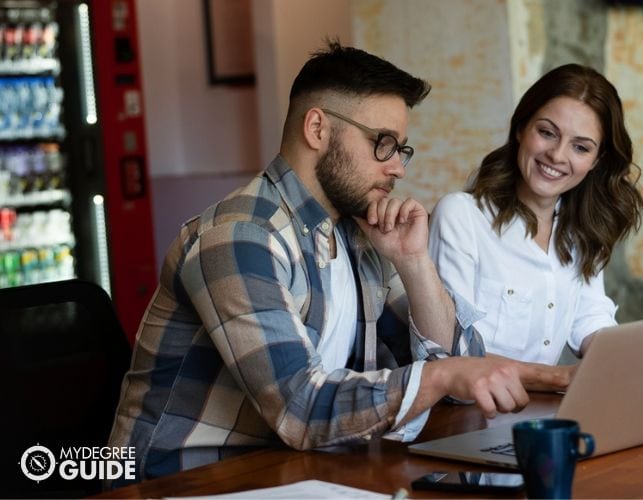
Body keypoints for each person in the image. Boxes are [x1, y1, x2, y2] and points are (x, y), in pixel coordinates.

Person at [107, 41, 574, 485]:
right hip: (180, 484)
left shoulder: (358, 234)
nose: (399, 168)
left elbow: (457, 371)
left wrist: (413, 263)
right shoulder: (240, 236)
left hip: (298, 474)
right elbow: (300, 408)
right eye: (383, 142)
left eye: (401, 148)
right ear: (317, 129)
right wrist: (442, 374)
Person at [428, 63, 643, 365]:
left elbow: (590, 317)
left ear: (597, 160)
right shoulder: (460, 217)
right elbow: (455, 351)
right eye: (547, 133)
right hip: (469, 411)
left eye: (580, 148)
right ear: (521, 128)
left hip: (545, 409)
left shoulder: (583, 228)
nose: (557, 155)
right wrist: (554, 378)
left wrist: (637, 363)